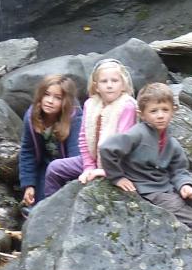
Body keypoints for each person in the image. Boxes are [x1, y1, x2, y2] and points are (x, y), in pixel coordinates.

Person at [100, 82, 192, 232]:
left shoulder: (171, 142)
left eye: (165, 110)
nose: (160, 115)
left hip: (169, 186)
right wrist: (117, 177)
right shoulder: (136, 134)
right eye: (153, 111)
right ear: (142, 114)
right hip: (149, 190)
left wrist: (184, 185)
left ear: (173, 111)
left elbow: (179, 170)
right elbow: (107, 149)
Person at [43, 58, 136, 196]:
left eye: (115, 81)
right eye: (104, 81)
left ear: (123, 84)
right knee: (54, 168)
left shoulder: (127, 106)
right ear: (96, 86)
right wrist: (88, 167)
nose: (109, 85)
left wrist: (105, 171)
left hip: (120, 166)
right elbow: (83, 138)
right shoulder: (90, 104)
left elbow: (124, 146)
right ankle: (47, 208)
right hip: (93, 160)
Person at [18, 75, 80, 207]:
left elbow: (76, 157)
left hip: (65, 168)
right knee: (37, 203)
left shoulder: (74, 119)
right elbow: (28, 151)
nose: (50, 101)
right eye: (46, 95)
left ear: (65, 102)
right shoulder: (32, 117)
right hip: (45, 165)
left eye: (57, 98)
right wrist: (29, 185)